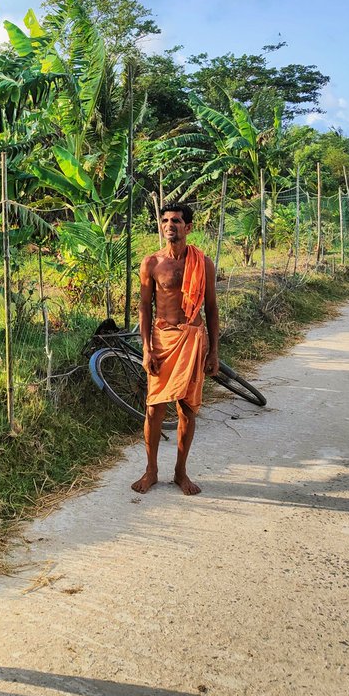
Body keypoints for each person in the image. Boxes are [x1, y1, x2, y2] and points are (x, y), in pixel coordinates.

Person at [131, 203, 220, 497]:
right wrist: (146, 348)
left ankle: (181, 472)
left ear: (188, 227)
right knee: (154, 407)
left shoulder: (202, 263)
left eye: (177, 220)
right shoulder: (151, 264)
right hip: (161, 341)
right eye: (165, 220)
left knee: (187, 409)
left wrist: (214, 351)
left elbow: (211, 308)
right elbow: (144, 307)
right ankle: (151, 470)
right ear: (161, 226)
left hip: (193, 340)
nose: (170, 224)